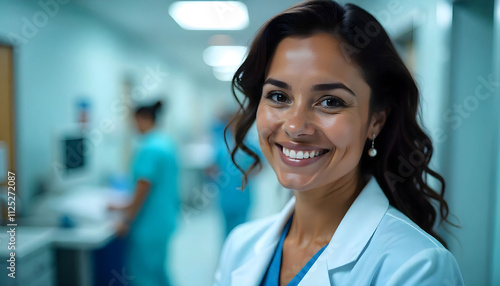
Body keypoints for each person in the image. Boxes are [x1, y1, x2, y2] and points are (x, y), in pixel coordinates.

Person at [214, 1, 464, 285]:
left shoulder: (416, 266)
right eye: (279, 97)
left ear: (376, 120)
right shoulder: (240, 246)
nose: (295, 127)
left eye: (330, 102)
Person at [110, 100, 180, 286]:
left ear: (143, 119)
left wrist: (126, 219)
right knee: (158, 271)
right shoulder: (165, 142)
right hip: (163, 220)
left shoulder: (149, 148)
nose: (134, 128)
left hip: (149, 225)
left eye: (134, 122)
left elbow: (143, 188)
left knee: (143, 276)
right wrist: (124, 205)